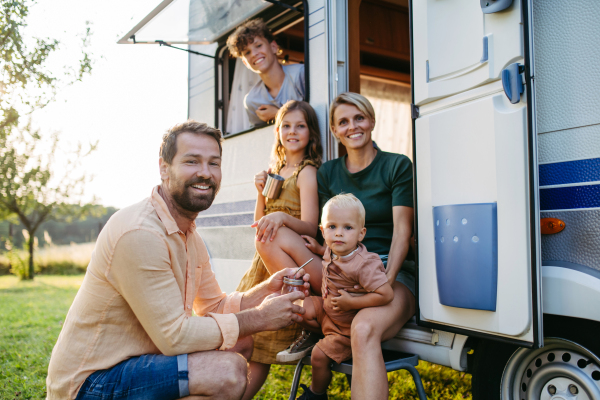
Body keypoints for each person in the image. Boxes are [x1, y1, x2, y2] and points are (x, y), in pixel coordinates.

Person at [46, 121, 311, 400]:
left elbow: (214, 306)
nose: (205, 173)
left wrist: (265, 291)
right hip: (91, 383)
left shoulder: (188, 234)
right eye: (191, 161)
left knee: (240, 343)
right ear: (164, 168)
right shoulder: (141, 233)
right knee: (225, 370)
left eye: (213, 163)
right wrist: (259, 317)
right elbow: (175, 336)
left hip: (139, 364)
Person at [235, 100, 323, 399]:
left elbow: (311, 226)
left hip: (290, 254)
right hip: (268, 261)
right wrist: (260, 194)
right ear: (277, 131)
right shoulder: (276, 170)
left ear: (311, 132)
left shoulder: (306, 172)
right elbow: (259, 223)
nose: (292, 131)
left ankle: (308, 318)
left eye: (300, 126)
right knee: (253, 341)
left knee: (261, 345)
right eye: (286, 125)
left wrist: (283, 217)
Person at [294, 194, 394, 400]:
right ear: (322, 230)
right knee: (300, 308)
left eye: (347, 228)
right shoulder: (332, 249)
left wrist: (352, 302)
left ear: (361, 234)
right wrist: (319, 249)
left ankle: (316, 393)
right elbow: (328, 252)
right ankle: (322, 333)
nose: (338, 234)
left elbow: (386, 294)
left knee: (318, 357)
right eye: (332, 227)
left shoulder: (365, 264)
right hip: (329, 312)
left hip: (346, 328)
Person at [227, 19, 305, 128]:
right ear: (245, 63)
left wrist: (278, 114)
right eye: (247, 52)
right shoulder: (252, 100)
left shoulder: (300, 74)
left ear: (273, 47)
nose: (254, 53)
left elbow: (318, 116)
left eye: (258, 45)